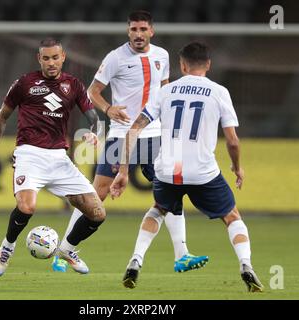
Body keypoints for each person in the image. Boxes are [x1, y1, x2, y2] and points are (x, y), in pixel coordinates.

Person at [52, 10, 208, 288]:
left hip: (155, 135)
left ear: (151, 31)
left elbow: (165, 90)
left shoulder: (162, 56)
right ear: (128, 32)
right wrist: (109, 108)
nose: (138, 34)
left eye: (142, 29)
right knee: (96, 193)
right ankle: (63, 251)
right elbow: (92, 92)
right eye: (133, 29)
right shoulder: (115, 58)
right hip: (122, 135)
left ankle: (182, 254)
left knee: (171, 190)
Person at [110, 41, 264, 292]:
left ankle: (135, 260)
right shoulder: (219, 92)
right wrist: (237, 167)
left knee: (158, 210)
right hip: (203, 172)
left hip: (167, 170)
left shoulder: (165, 91)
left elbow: (134, 130)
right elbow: (233, 141)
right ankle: (246, 264)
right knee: (232, 216)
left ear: (182, 65)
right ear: (209, 65)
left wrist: (124, 171)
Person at [0, 38, 105, 276]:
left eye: (55, 57)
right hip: (29, 154)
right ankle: (7, 247)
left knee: (97, 213)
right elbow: (2, 117)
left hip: (59, 158)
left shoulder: (74, 85)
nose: (51, 62)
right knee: (27, 207)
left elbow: (94, 119)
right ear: (39, 59)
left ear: (63, 57)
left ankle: (67, 250)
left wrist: (94, 134)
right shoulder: (24, 83)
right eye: (46, 58)